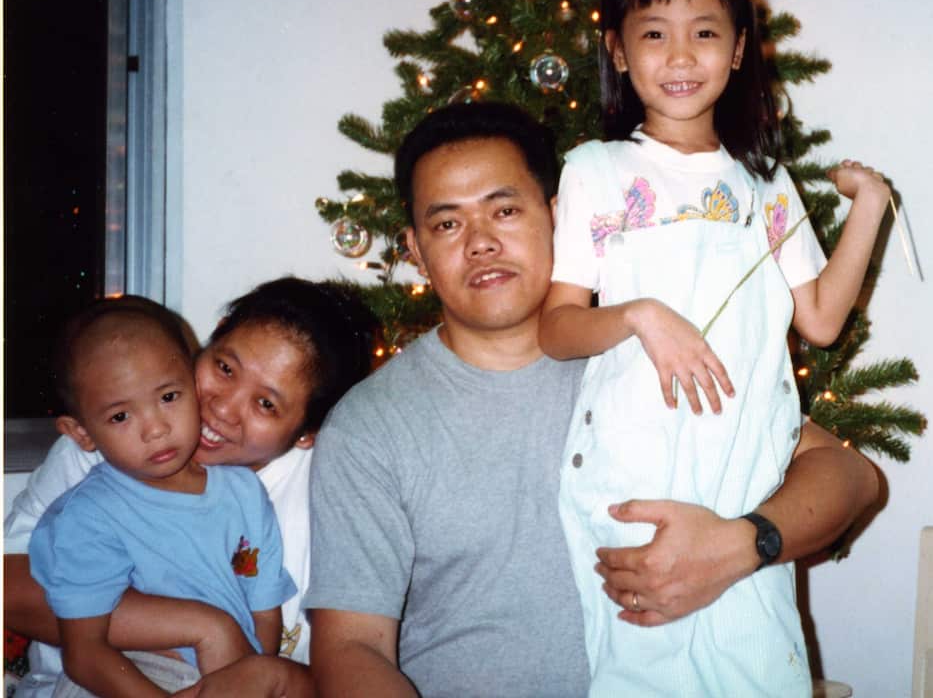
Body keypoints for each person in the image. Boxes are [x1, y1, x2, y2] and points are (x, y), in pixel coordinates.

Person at [306, 102, 880, 698]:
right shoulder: (371, 426)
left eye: (504, 210)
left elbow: (851, 476)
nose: (480, 243)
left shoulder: (639, 354)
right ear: (416, 251)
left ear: (558, 216)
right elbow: (351, 648)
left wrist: (742, 545)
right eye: (447, 224)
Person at [538, 0, 892, 695]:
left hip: (742, 475)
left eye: (705, 32)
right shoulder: (596, 171)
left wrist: (869, 207)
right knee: (640, 665)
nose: (680, 55)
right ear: (619, 50)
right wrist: (639, 316)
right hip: (632, 469)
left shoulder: (765, 185)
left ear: (737, 51)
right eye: (654, 33)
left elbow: (822, 319)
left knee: (759, 667)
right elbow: (558, 327)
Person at [4, 277, 379, 698]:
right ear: (210, 340)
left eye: (266, 404)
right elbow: (11, 591)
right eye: (225, 368)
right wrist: (202, 627)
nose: (221, 408)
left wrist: (264, 673)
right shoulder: (111, 438)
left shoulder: (321, 499)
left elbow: (343, 665)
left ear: (307, 433)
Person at [27, 296, 297, 697]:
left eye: (169, 397)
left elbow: (264, 607)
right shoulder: (89, 515)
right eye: (120, 416)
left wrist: (249, 675)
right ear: (81, 433)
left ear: (193, 385)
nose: (155, 429)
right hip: (133, 676)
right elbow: (84, 655)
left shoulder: (243, 491)